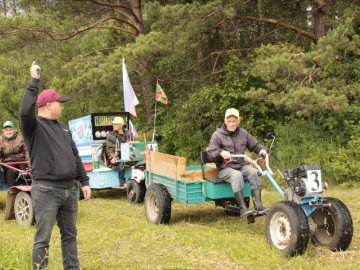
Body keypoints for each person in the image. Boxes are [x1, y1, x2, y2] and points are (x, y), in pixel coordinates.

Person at [19, 61, 91, 270]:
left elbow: (74, 155)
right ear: (49, 105)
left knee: (70, 235)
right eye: (60, 102)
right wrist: (34, 80)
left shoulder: (63, 129)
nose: (62, 105)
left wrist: (84, 181)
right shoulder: (33, 127)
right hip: (46, 190)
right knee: (43, 238)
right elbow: (24, 111)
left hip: (69, 190)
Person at [207, 108, 268, 217]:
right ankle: (243, 208)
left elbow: (254, 145)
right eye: (229, 121)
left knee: (255, 173)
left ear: (238, 121)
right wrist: (221, 153)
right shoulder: (217, 135)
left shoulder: (243, 133)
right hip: (225, 169)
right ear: (225, 121)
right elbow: (210, 154)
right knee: (237, 175)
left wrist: (262, 150)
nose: (232, 124)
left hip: (240, 166)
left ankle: (258, 206)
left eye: (234, 121)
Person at [0, 120, 30, 186]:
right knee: (10, 177)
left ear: (14, 129)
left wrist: (28, 161)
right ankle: (12, 191)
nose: (8, 132)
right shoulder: (0, 140)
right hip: (9, 162)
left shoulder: (21, 137)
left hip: (22, 160)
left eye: (10, 130)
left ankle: (29, 190)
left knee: (26, 175)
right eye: (6, 130)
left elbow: (26, 150)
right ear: (3, 131)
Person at [105, 116, 128, 187]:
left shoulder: (128, 133)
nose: (113, 125)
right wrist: (112, 158)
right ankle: (122, 182)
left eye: (115, 124)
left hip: (129, 155)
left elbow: (133, 144)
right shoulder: (111, 136)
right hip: (117, 157)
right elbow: (109, 149)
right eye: (113, 124)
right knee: (121, 161)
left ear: (121, 125)